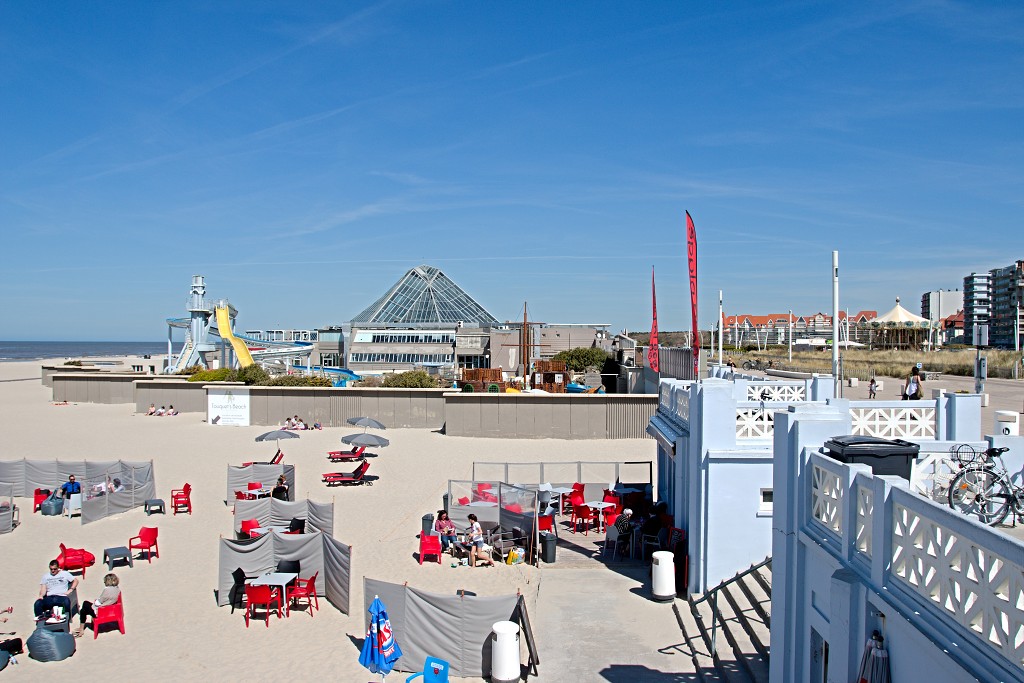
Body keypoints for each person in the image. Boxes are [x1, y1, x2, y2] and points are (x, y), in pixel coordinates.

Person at [73, 573, 120, 638]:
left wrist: (97, 601)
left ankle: (81, 629)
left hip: (101, 612)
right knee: (83, 610)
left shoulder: (107, 590)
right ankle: (81, 629)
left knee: (85, 604)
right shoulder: (117, 589)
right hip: (109, 609)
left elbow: (98, 603)